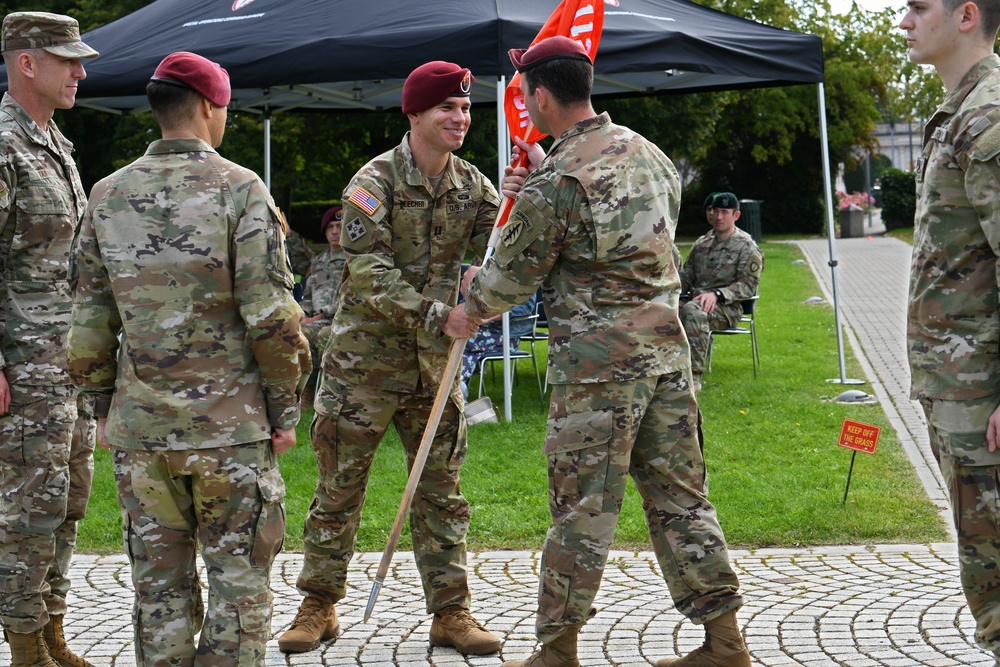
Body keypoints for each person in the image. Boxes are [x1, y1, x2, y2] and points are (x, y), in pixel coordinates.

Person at [463, 36, 750, 667]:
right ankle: (726, 643)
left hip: (599, 369)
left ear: (540, 96)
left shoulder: (559, 181)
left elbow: (509, 281)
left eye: (524, 96)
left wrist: (467, 301)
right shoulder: (649, 155)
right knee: (682, 497)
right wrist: (538, 180)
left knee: (581, 508)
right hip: (667, 357)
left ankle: (557, 650)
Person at [66, 51, 310, 666]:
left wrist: (100, 408)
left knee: (158, 594)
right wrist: (284, 410)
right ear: (207, 107)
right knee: (239, 588)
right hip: (231, 431)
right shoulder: (240, 188)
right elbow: (274, 319)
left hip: (142, 432)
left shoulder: (107, 194)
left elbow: (88, 324)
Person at [279, 61, 505, 656]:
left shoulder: (475, 186)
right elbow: (369, 273)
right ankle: (320, 604)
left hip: (435, 369)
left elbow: (500, 246)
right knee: (338, 489)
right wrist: (443, 314)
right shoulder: (372, 182)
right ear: (415, 115)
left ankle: (451, 612)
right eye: (446, 110)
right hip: (364, 369)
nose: (460, 119)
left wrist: (520, 203)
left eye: (464, 109)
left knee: (441, 494)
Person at [0, 12, 100, 667]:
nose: (81, 72)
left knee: (68, 500)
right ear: (26, 62)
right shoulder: (4, 145)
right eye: (67, 60)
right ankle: (23, 637)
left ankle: (53, 625)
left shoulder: (55, 142)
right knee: (26, 507)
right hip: (23, 363)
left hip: (69, 363)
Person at [902, 0, 1000, 661]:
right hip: (957, 383)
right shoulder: (961, 114)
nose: (904, 20)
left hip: (980, 390)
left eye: (917, 6)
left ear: (967, 15)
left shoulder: (988, 117)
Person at [679, 192, 763, 391]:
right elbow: (688, 275)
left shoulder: (746, 246)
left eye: (725, 212)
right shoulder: (702, 243)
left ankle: (693, 379)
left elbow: (747, 285)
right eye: (715, 211)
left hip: (728, 307)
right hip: (696, 300)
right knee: (663, 310)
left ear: (736, 215)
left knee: (693, 311)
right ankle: (666, 373)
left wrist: (717, 295)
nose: (718, 217)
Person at [458, 266, 538, 398]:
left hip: (505, 334)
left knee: (466, 339)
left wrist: (488, 316)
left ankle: (457, 384)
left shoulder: (525, 272)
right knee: (456, 336)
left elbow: (524, 309)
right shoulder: (483, 265)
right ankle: (456, 385)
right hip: (478, 329)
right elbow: (465, 303)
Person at [300, 204, 346, 369]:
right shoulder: (317, 262)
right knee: (292, 333)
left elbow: (350, 299)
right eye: (330, 227)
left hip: (339, 319)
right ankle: (307, 391)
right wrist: (302, 314)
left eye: (339, 227)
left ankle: (322, 388)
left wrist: (318, 316)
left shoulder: (353, 262)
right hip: (314, 320)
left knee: (316, 335)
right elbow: (308, 296)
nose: (334, 231)